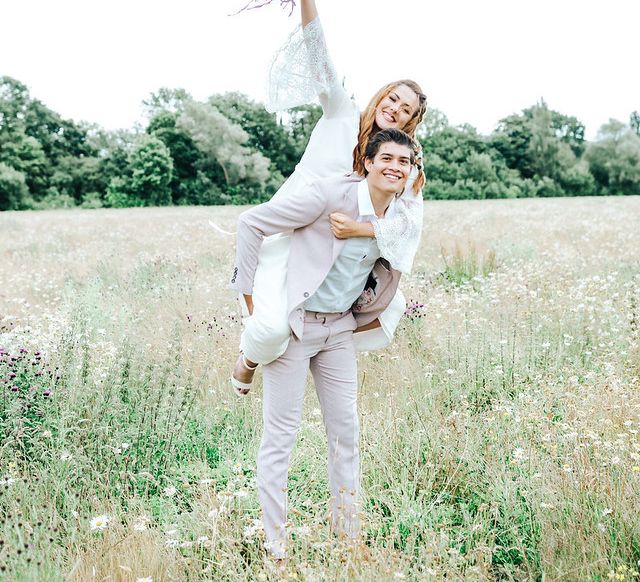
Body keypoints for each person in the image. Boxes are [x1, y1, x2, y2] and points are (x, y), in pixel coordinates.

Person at [230, 128, 417, 559]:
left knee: (345, 433)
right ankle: (275, 547)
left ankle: (348, 537)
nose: (394, 167)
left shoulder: (400, 215)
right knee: (281, 436)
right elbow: (251, 222)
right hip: (295, 326)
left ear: (410, 171)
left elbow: (399, 245)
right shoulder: (329, 195)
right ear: (367, 162)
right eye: (385, 158)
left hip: (339, 331)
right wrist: (252, 303)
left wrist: (365, 231)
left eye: (404, 162)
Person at [230, 0, 427, 394]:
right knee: (269, 329)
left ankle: (311, 343)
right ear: (381, 96)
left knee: (392, 307)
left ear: (410, 121)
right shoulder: (341, 112)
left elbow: (407, 223)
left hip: (337, 244)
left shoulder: (398, 161)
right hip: (292, 228)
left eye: (405, 109)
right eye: (392, 99)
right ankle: (251, 356)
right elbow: (319, 56)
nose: (395, 109)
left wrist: (360, 229)